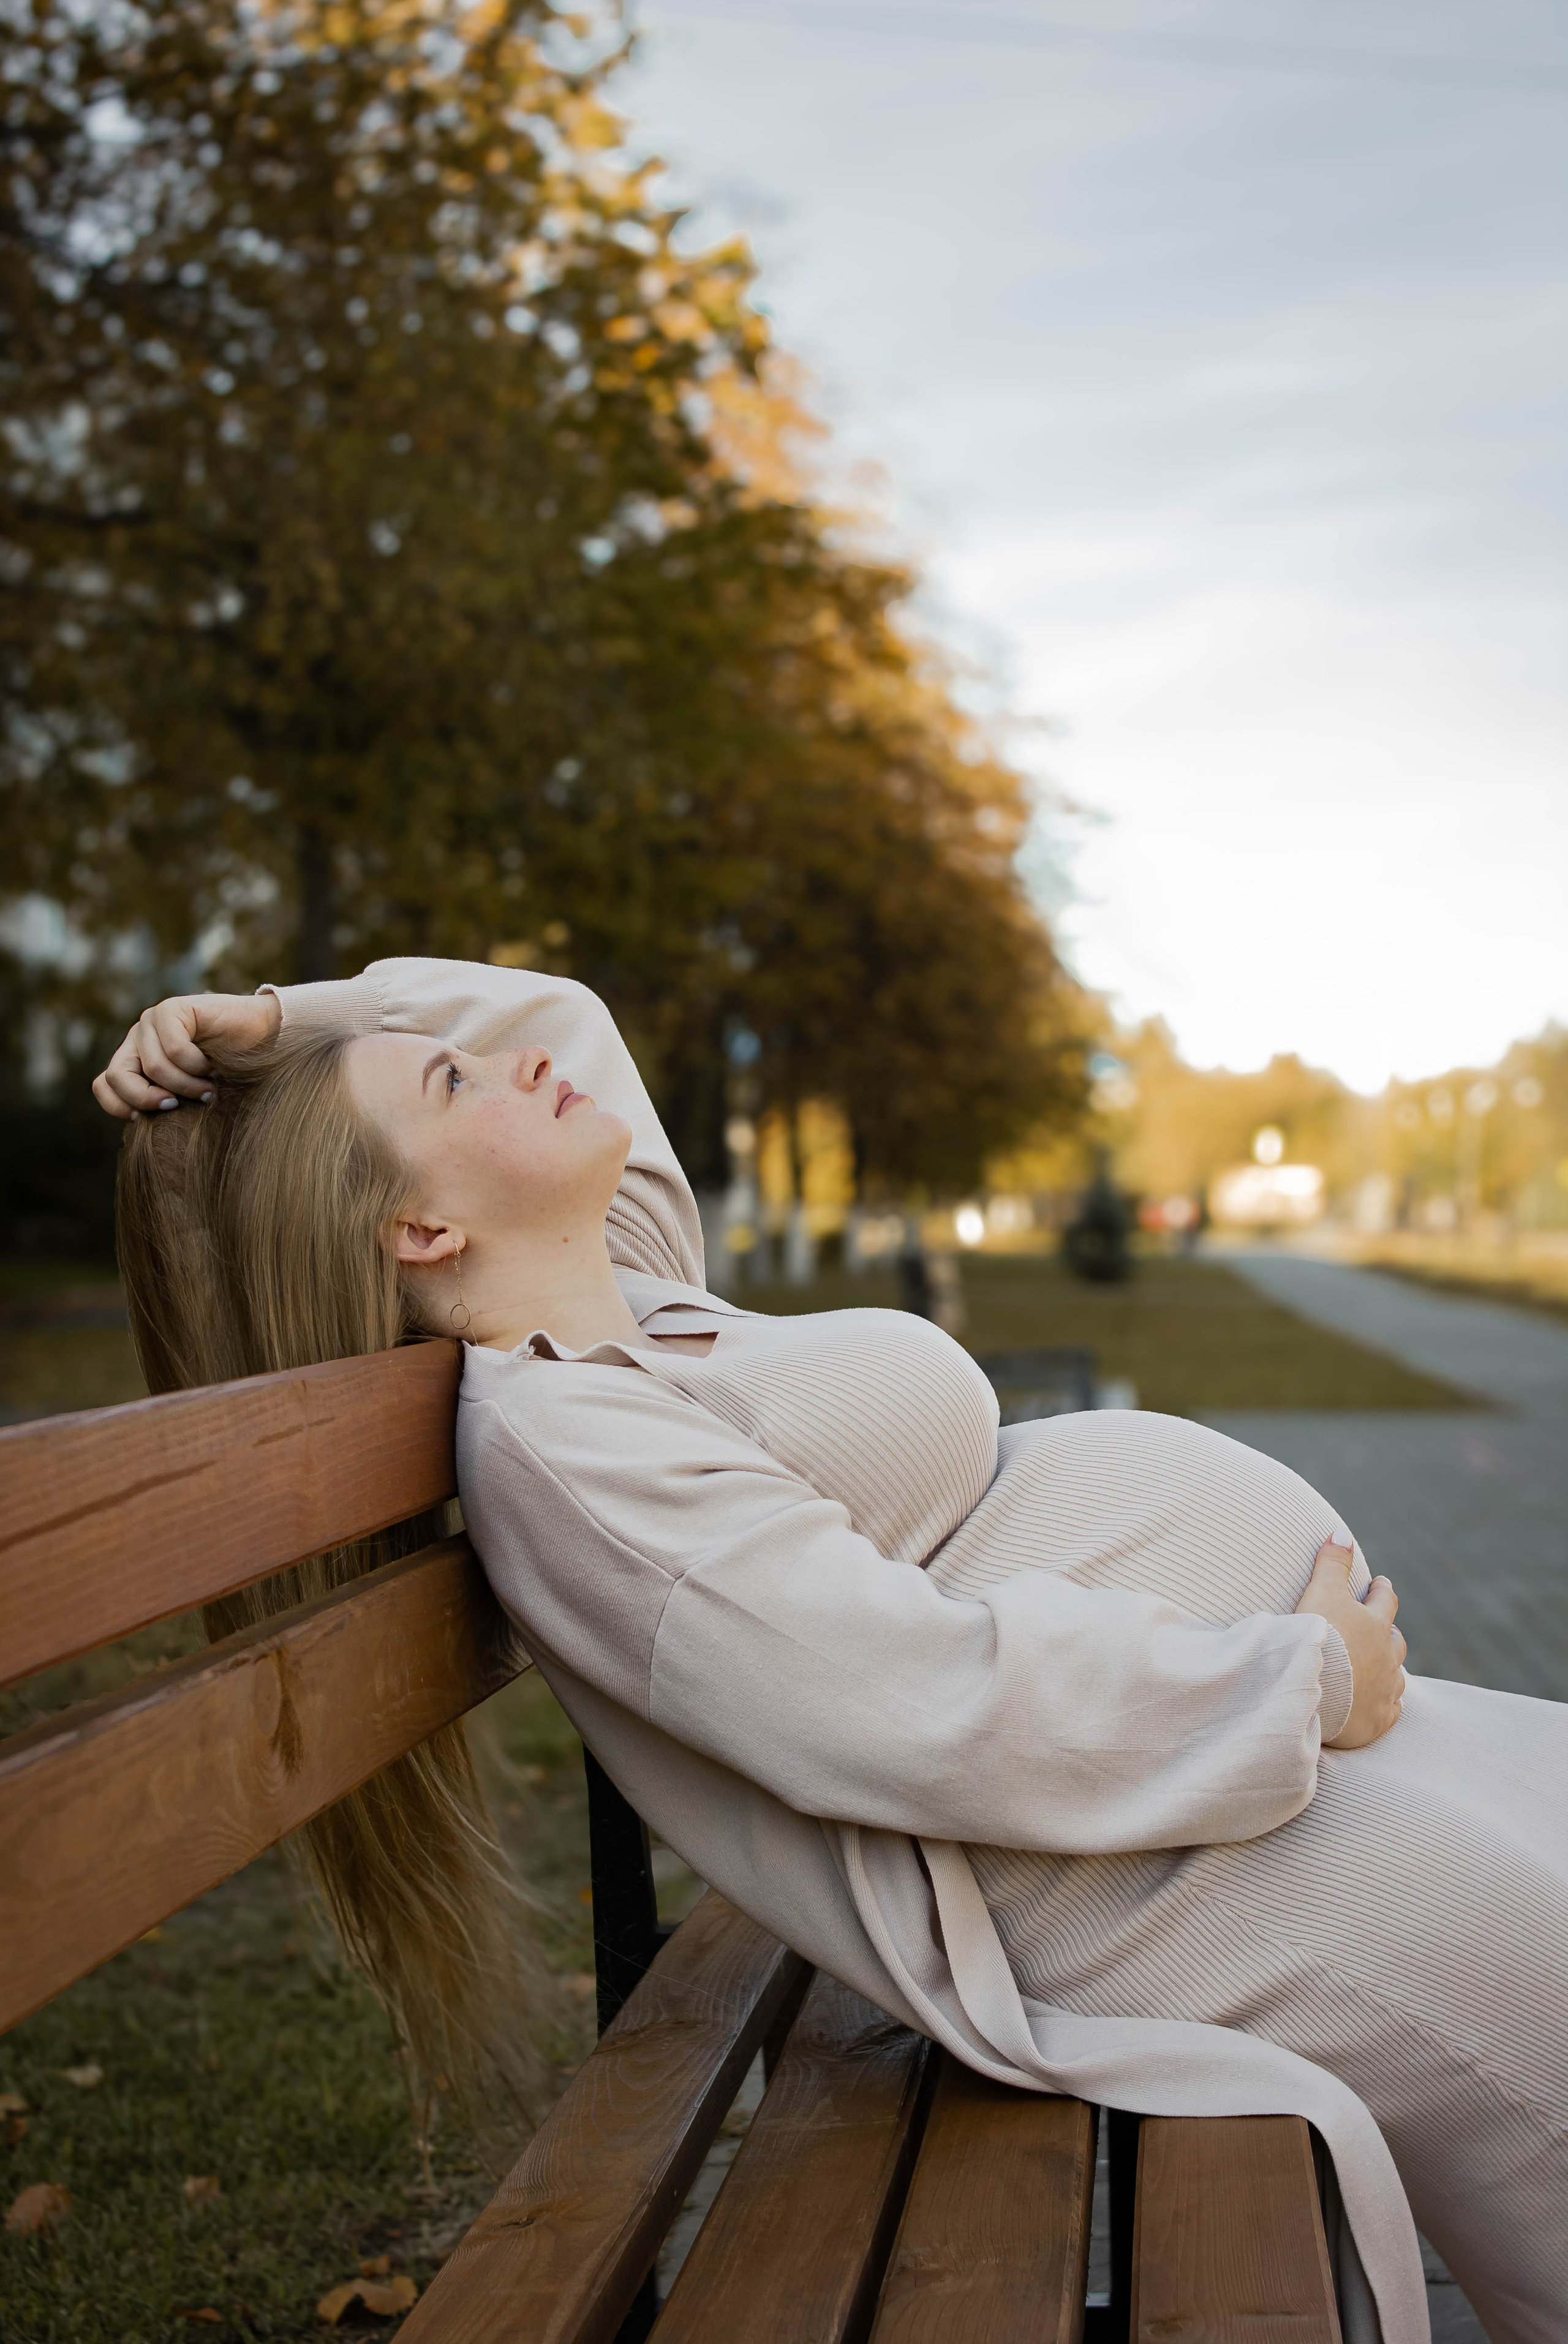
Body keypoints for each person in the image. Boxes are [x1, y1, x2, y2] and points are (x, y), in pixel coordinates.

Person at [94, 957, 1568, 2344]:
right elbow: (905, 1701)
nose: (517, 1063)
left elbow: (562, 1009)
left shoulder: (624, 1303)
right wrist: (1293, 1682)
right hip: (1090, 1855)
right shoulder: (569, 1451)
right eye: (456, 1086)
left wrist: (282, 1019)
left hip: (1174, 1787)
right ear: (423, 1232)